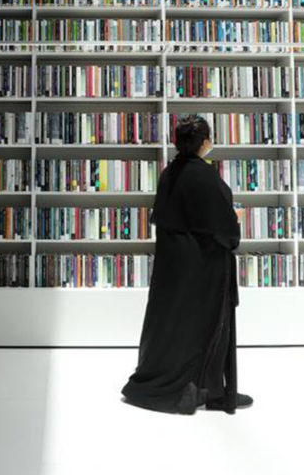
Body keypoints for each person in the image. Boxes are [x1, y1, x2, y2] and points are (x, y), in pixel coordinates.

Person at [120, 114, 253, 415]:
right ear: (204, 142)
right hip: (203, 270)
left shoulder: (169, 173)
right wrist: (234, 220)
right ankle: (210, 390)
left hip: (172, 268)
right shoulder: (205, 176)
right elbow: (224, 229)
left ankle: (170, 382)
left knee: (170, 327)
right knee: (210, 329)